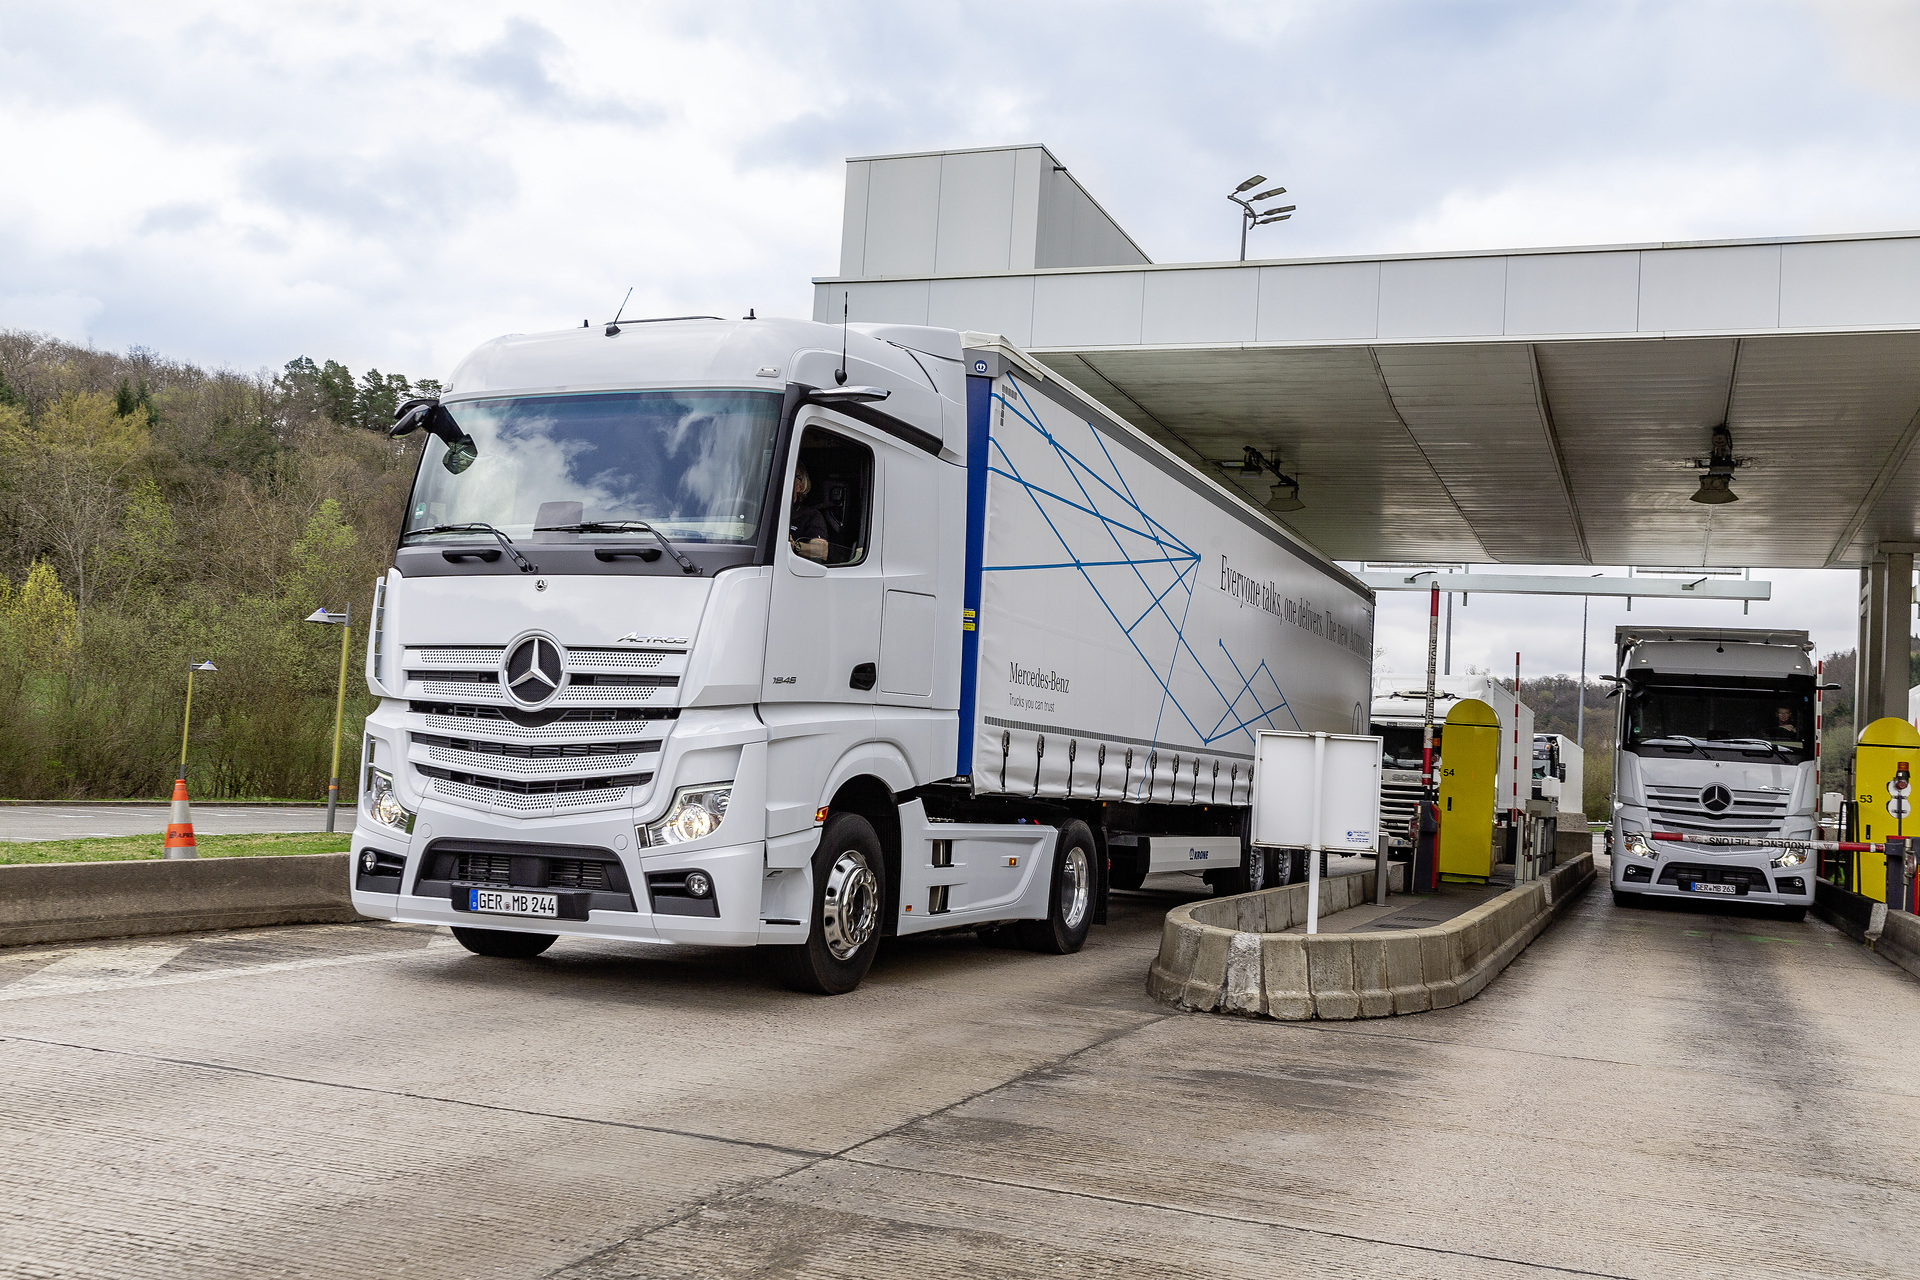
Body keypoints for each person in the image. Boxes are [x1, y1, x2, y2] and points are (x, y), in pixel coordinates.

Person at [789, 462, 830, 562]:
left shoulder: (811, 515)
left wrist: (794, 546)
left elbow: (822, 551)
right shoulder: (763, 511)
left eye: (790, 474)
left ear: (800, 486)